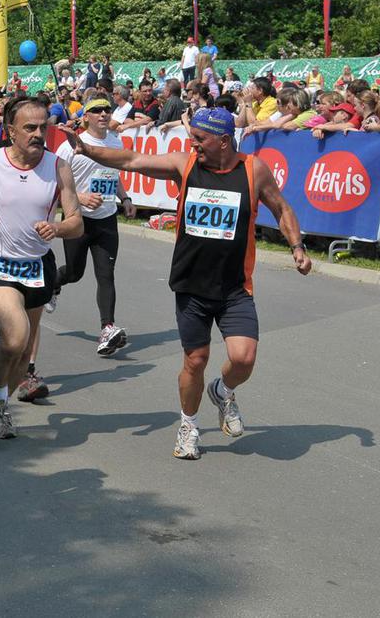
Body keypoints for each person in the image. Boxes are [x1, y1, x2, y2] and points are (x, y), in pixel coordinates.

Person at [58, 107, 311, 460]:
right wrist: (87, 150)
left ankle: (223, 391)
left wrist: (297, 247)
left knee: (244, 359)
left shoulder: (253, 170)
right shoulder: (185, 164)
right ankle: (189, 426)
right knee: (196, 360)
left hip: (235, 286)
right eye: (192, 139)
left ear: (224, 141)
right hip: (191, 285)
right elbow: (132, 160)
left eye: (200, 139)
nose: (193, 145)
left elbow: (282, 208)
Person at [0, 96, 83, 439]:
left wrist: (57, 228)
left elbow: (77, 222)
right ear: (11, 131)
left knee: (23, 355)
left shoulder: (58, 167)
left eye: (43, 127)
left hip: (38, 265)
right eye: (30, 128)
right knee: (14, 338)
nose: (39, 134)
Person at [50, 98, 135, 356]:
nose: (104, 113)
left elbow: (114, 175)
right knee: (74, 273)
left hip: (106, 219)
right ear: (85, 117)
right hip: (78, 219)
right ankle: (53, 283)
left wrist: (125, 198)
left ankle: (107, 329)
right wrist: (80, 197)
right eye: (96, 110)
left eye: (107, 109)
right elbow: (53, 183)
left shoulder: (115, 142)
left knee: (106, 274)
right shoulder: (70, 146)